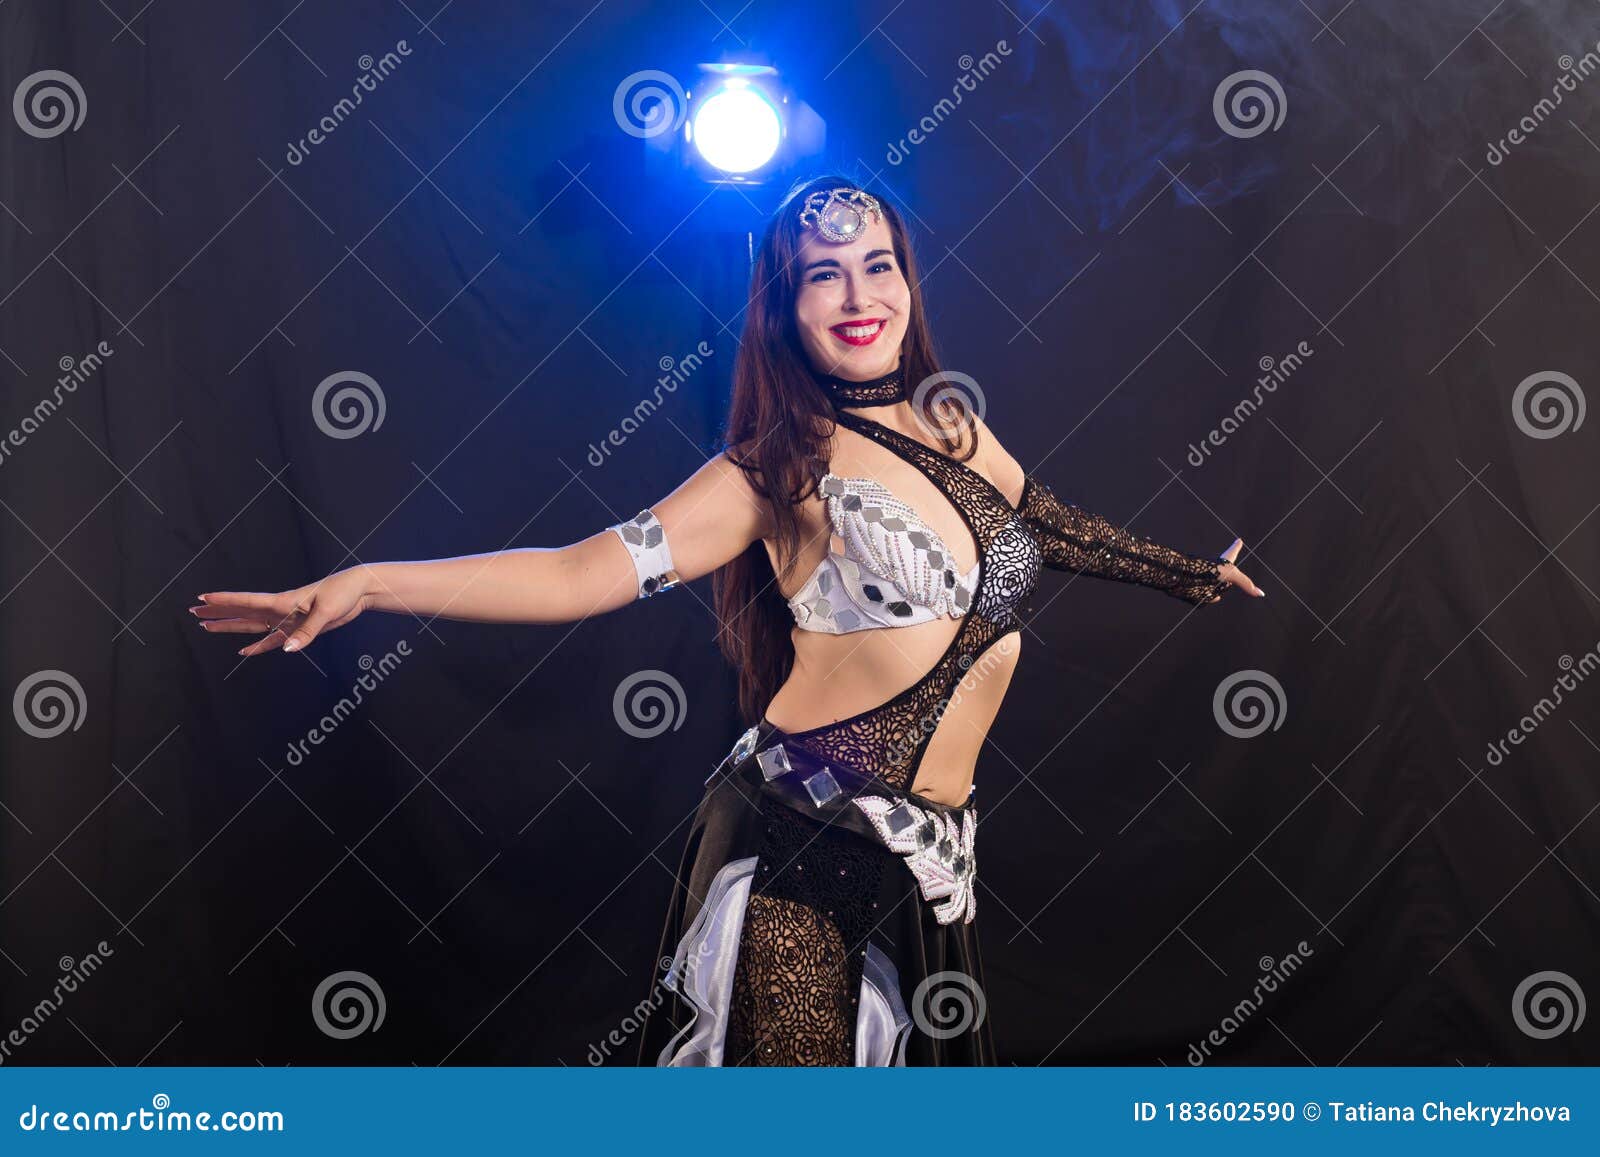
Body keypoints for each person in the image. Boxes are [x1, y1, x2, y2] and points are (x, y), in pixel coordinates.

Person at [193, 174, 1264, 1067]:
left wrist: (1188, 575)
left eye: (877, 264)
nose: (856, 293)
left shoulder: (951, 422)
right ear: (782, 304)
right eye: (821, 275)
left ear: (906, 279)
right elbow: (578, 575)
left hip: (934, 851)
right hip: (806, 834)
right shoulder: (773, 464)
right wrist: (375, 582)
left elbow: (1044, 521)